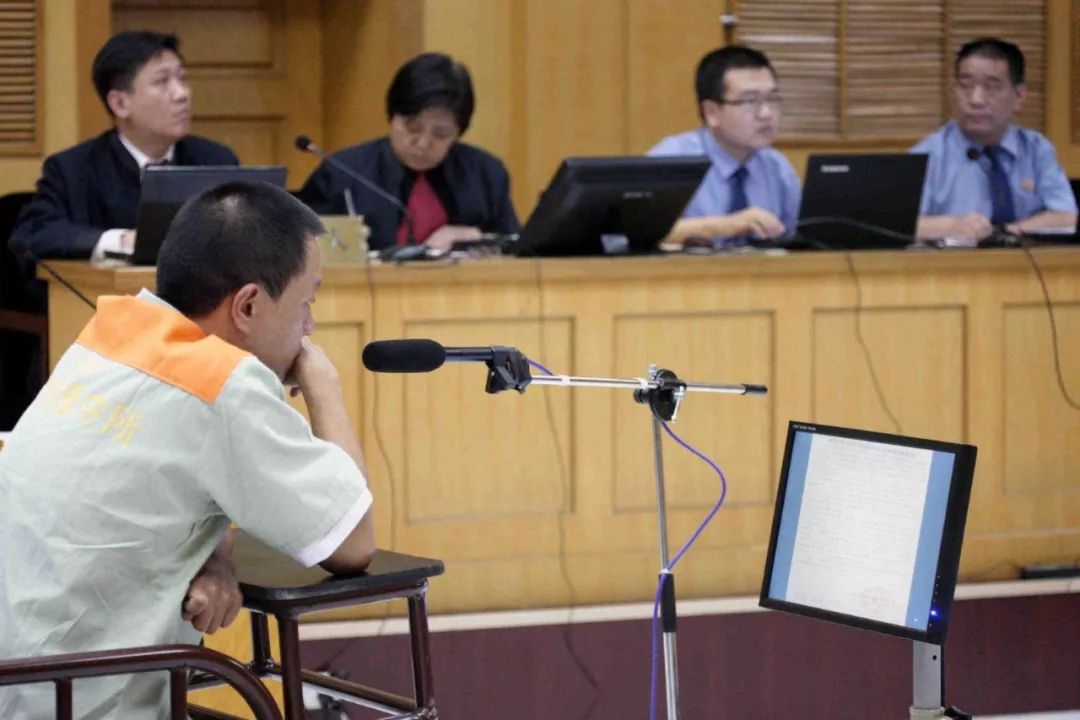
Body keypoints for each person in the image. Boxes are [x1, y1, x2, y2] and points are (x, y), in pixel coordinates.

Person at [0, 181, 376, 719]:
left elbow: (155, 491)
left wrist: (215, 557)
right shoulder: (221, 383)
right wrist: (323, 381)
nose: (309, 326)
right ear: (248, 304)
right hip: (86, 704)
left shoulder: (109, 336)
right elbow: (352, 540)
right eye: (305, 303)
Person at [9, 30, 238, 264]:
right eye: (162, 81)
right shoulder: (72, 170)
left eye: (182, 78)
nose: (182, 94)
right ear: (119, 103)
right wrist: (121, 241)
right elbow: (34, 236)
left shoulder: (216, 161)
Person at [297, 52, 519, 252]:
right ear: (392, 116)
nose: (423, 143)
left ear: (458, 133)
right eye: (413, 128)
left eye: (441, 134)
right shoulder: (343, 172)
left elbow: (516, 246)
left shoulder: (486, 173)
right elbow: (299, 246)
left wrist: (477, 237)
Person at [913, 37, 1077, 244]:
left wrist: (1005, 233)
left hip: (1026, 262)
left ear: (1019, 96)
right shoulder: (929, 155)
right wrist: (952, 226)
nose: (976, 99)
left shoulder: (1035, 149)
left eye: (991, 86)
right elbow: (898, 226)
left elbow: (1066, 218)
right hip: (952, 263)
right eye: (965, 85)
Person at [648, 45, 801, 247]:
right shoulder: (671, 159)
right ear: (711, 112)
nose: (766, 113)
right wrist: (725, 226)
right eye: (750, 101)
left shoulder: (777, 168)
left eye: (772, 99)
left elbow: (799, 241)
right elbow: (636, 235)